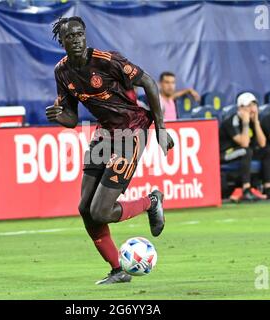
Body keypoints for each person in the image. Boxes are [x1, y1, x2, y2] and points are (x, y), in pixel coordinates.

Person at [46, 17, 174, 285]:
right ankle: (118, 270)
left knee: (101, 211)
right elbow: (71, 118)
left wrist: (160, 128)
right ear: (63, 41)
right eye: (71, 37)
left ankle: (151, 201)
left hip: (131, 132)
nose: (77, 40)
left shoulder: (107, 60)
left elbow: (149, 82)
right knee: (85, 208)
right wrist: (59, 115)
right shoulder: (62, 72)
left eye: (80, 34)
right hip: (103, 134)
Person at [220, 92, 270, 202]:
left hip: (244, 152)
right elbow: (244, 143)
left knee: (267, 150)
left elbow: (262, 143)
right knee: (246, 151)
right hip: (226, 154)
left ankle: (268, 188)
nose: (252, 109)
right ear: (240, 108)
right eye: (248, 106)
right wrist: (246, 123)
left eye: (254, 105)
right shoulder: (232, 122)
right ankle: (246, 188)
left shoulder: (254, 120)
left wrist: (256, 122)